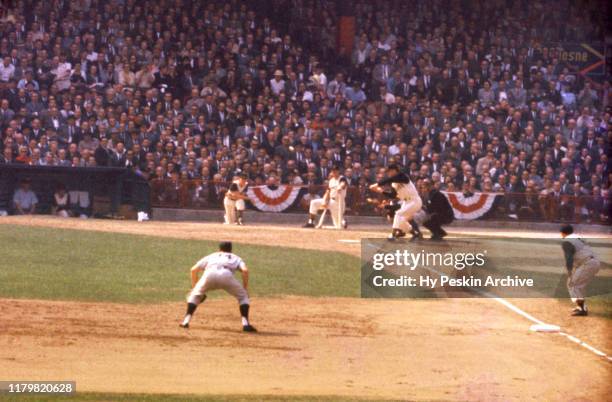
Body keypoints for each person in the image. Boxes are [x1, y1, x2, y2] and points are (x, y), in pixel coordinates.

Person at [180, 241, 256, 332]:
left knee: (195, 296)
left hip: (209, 274)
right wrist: (245, 288)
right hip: (226, 276)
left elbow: (193, 270)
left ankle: (185, 321)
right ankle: (245, 324)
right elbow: (245, 271)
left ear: (219, 249)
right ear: (231, 250)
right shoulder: (236, 258)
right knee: (243, 297)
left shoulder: (212, 256)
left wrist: (195, 288)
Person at [369, 164, 422, 240]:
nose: (388, 174)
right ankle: (415, 234)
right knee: (402, 221)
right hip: (406, 202)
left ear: (394, 170)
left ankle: (393, 235)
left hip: (414, 200)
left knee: (398, 214)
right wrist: (381, 191)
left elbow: (389, 180)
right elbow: (393, 195)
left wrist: (376, 184)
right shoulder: (394, 183)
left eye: (389, 171)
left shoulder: (403, 176)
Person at [560, 224, 600, 316]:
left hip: (587, 264)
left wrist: (569, 271)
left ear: (562, 233)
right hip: (593, 262)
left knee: (573, 284)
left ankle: (582, 309)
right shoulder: (578, 237)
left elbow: (569, 257)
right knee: (573, 283)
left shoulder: (567, 241)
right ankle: (580, 306)